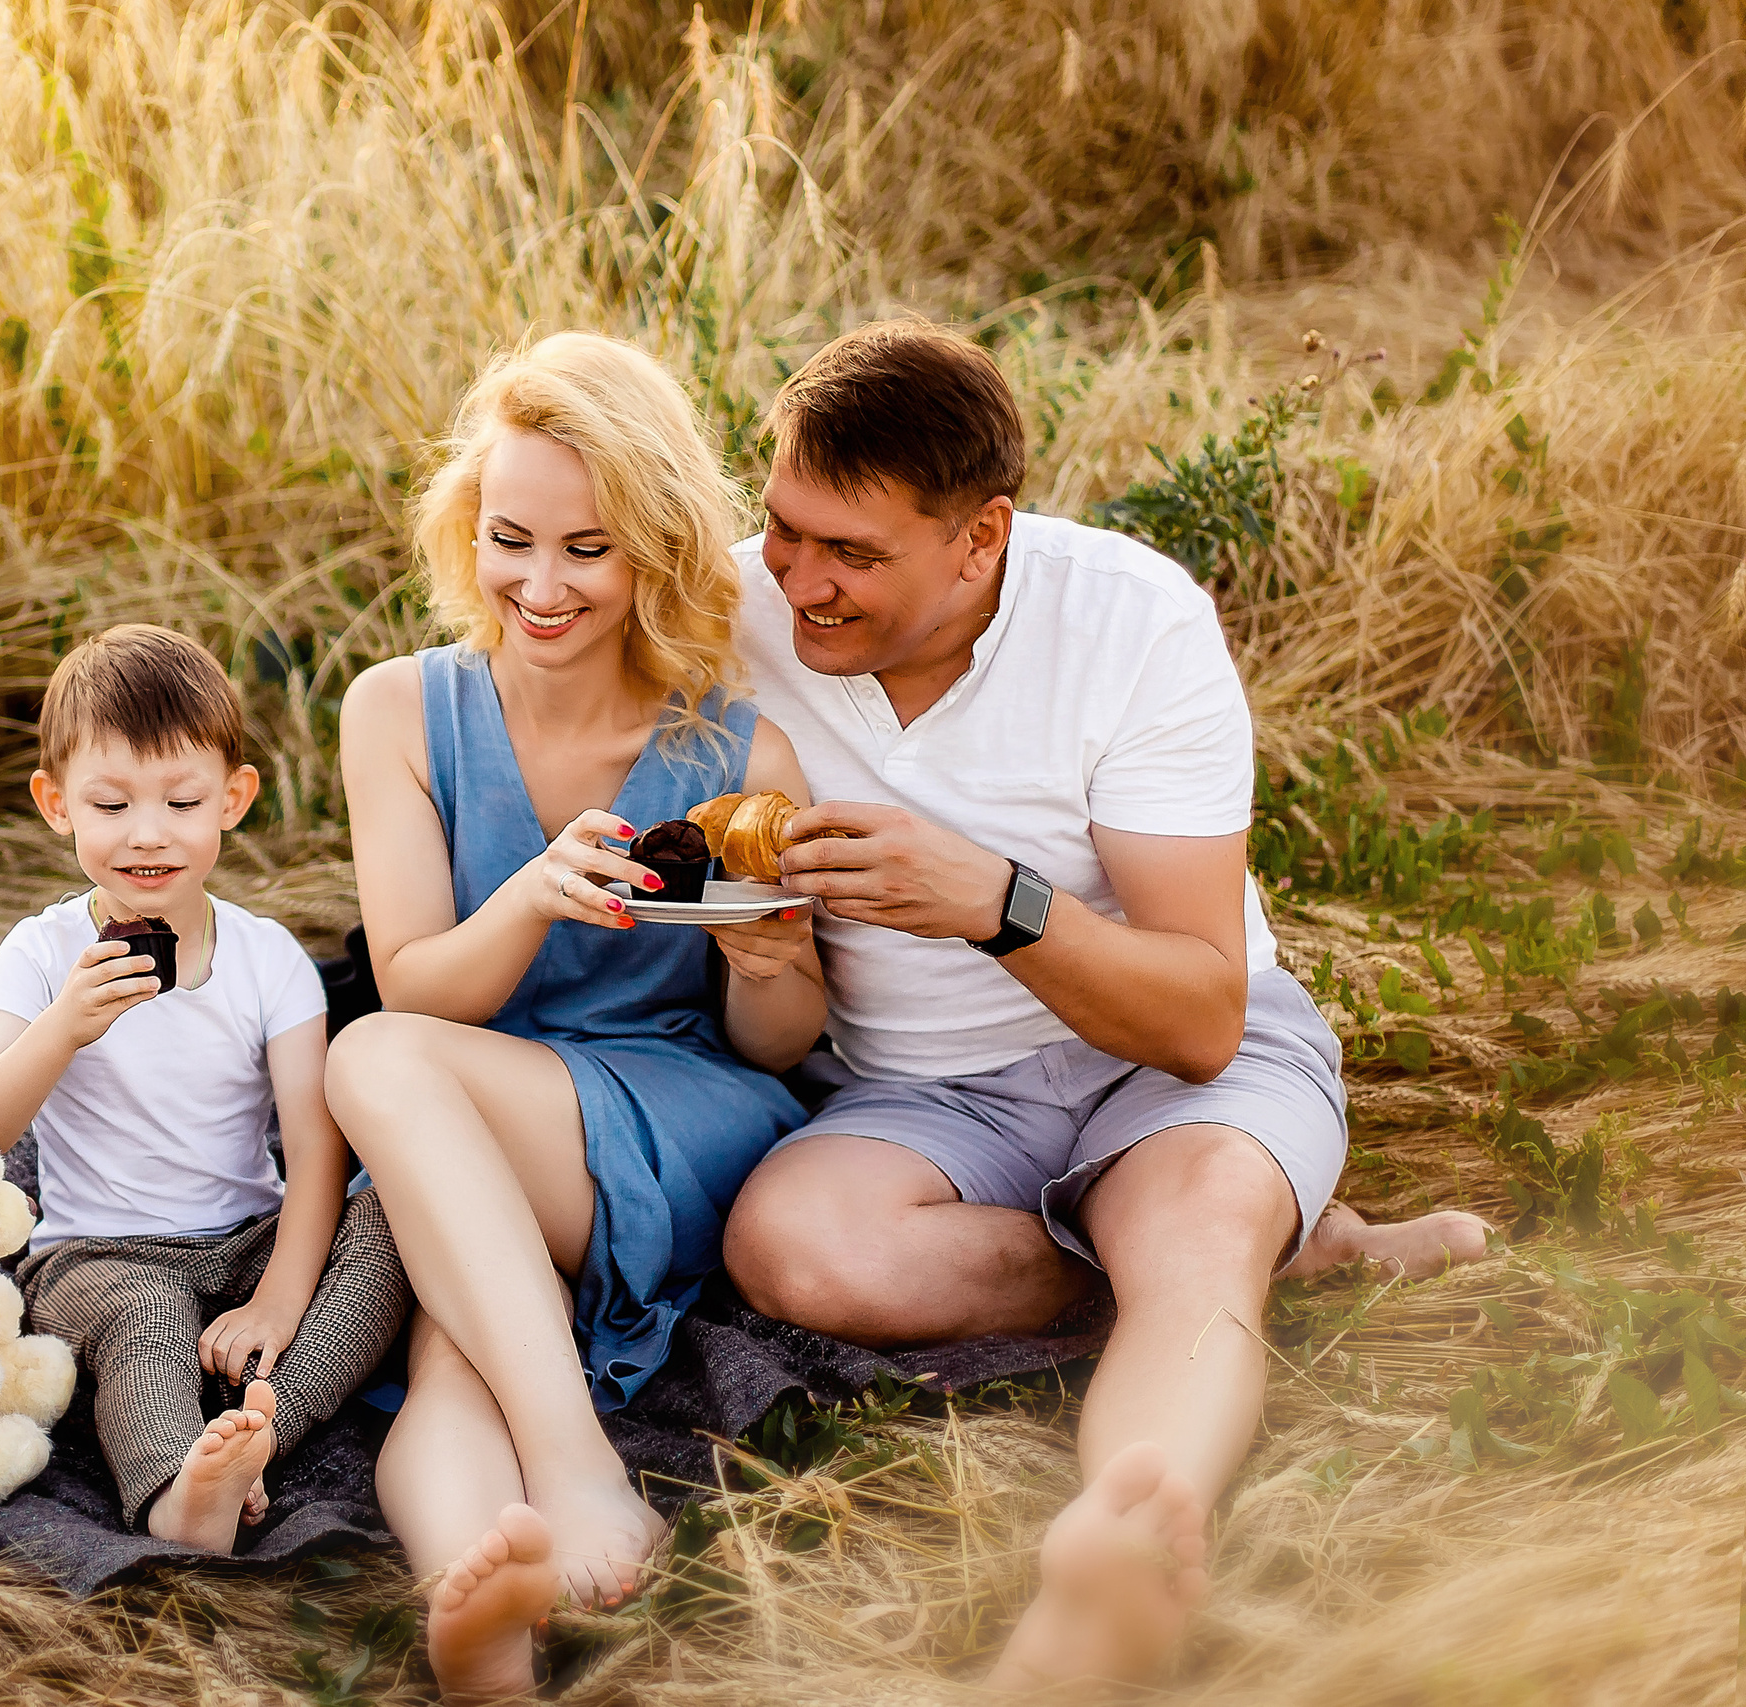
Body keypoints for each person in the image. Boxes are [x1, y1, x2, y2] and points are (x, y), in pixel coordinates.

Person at [714, 319, 1493, 1690]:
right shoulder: (732, 612)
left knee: (1189, 1216)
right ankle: (1278, 1250)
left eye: (853, 554)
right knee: (798, 1251)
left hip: (1167, 1065)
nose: (801, 581)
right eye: (783, 528)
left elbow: (1199, 1017)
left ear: (980, 537)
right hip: (921, 1093)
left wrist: (995, 902)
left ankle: (1120, 1548)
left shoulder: (1131, 621)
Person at [324, 333, 828, 1701]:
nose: (540, 587)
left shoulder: (740, 753)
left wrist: (772, 960)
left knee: (370, 1059)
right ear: (467, 529)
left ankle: (577, 1466)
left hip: (673, 1113)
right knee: (453, 1358)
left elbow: (779, 1045)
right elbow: (419, 980)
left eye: (588, 551)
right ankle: (478, 1597)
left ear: (654, 551)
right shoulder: (398, 711)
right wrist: (532, 898)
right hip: (464, 1118)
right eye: (510, 540)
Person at [0, 624, 409, 1550]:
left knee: (392, 1220)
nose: (149, 833)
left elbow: (314, 1150)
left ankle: (265, 1422)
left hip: (246, 1238)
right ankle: (179, 1491)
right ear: (56, 804)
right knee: (147, 1316)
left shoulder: (271, 960)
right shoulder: (41, 954)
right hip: (96, 1255)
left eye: (183, 800)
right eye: (111, 803)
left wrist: (279, 1296)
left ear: (232, 799)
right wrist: (63, 1027)